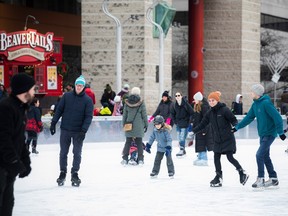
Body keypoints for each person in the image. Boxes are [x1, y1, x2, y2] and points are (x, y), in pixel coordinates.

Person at [192, 91, 248, 187]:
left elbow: (233, 120)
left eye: (213, 100)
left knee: (230, 157)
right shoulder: (210, 112)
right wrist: (193, 131)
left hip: (227, 138)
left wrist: (235, 127)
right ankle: (218, 176)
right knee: (216, 157)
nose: (211, 102)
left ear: (217, 100)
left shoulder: (224, 110)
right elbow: (203, 123)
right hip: (217, 140)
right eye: (209, 101)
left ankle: (242, 172)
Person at [234, 84, 286, 188]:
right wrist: (237, 127)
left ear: (257, 93)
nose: (251, 93)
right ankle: (273, 178)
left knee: (259, 155)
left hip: (269, 134)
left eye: (252, 92)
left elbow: (278, 118)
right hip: (262, 134)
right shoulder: (255, 104)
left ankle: (260, 178)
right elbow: (248, 118)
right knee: (265, 156)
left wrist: (280, 133)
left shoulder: (266, 103)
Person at [0, 73, 35, 216]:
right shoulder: (6, 108)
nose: (34, 92)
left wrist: (25, 160)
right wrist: (15, 162)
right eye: (33, 89)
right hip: (2, 166)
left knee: (7, 204)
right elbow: (3, 139)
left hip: (8, 169)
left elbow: (19, 138)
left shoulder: (20, 108)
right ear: (24, 91)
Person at [50, 75, 93, 187]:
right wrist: (53, 122)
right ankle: (62, 172)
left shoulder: (87, 101)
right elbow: (59, 110)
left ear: (83, 87)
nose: (79, 87)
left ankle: (75, 173)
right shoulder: (66, 96)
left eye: (81, 86)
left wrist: (83, 130)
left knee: (77, 153)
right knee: (63, 152)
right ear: (75, 85)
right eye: (77, 85)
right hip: (65, 130)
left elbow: (88, 117)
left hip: (78, 132)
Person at [121, 87, 148, 166]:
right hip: (139, 125)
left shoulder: (127, 102)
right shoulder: (141, 102)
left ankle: (125, 159)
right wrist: (146, 125)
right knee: (139, 142)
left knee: (128, 142)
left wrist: (124, 125)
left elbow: (124, 116)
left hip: (129, 125)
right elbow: (144, 115)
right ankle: (140, 159)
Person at [191, 92, 213, 166]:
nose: (194, 100)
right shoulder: (198, 106)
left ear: (199, 99)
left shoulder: (204, 107)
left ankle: (204, 158)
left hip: (203, 129)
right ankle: (200, 157)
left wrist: (204, 130)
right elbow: (196, 119)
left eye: (195, 99)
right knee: (199, 144)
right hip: (198, 129)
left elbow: (206, 120)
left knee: (203, 144)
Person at [170, 92, 194, 157]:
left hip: (185, 124)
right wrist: (175, 121)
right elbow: (172, 113)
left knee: (182, 137)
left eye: (179, 95)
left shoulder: (186, 104)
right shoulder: (175, 105)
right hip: (178, 124)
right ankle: (183, 150)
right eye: (176, 95)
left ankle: (181, 150)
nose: (177, 96)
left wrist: (189, 121)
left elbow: (192, 112)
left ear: (181, 96)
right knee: (179, 137)